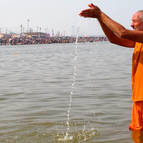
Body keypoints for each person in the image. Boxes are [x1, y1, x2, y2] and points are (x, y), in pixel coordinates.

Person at [79, 3, 143, 131]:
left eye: (134, 22)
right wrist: (99, 19)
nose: (131, 24)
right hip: (138, 99)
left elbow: (122, 33)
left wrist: (100, 14)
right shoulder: (138, 41)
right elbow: (114, 38)